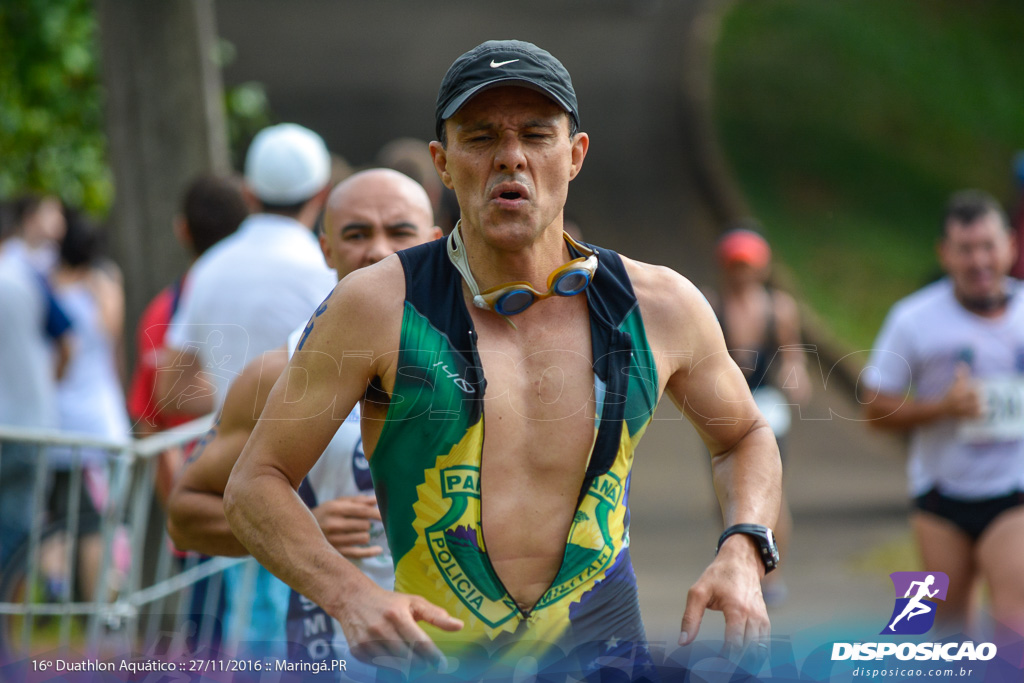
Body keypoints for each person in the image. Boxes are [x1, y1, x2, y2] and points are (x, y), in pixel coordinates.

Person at [224, 40, 781, 674]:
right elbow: (253, 485)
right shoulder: (376, 306)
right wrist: (350, 595)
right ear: (442, 162)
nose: (510, 158)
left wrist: (745, 545)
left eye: (536, 135)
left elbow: (744, 434)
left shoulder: (659, 306)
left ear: (575, 156)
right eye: (481, 137)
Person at [167, 168, 441, 665]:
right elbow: (185, 515)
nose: (377, 249)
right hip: (321, 655)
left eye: (399, 231)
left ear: (434, 242)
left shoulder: (484, 364)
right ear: (326, 249)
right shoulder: (278, 373)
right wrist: (302, 529)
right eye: (356, 234)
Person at [864, 189, 1024, 640]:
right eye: (965, 249)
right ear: (944, 253)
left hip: (1014, 493)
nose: (979, 261)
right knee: (946, 638)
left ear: (1011, 245)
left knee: (1014, 625)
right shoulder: (913, 319)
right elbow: (873, 410)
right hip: (939, 498)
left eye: (989, 247)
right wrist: (942, 409)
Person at [161, 123, 336, 415]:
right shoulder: (328, 269)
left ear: (248, 193)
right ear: (323, 193)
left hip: (229, 456)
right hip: (311, 455)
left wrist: (234, 401)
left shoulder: (207, 268)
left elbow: (172, 390)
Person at [126, 175, 248, 506]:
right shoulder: (264, 302)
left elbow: (150, 421)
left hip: (201, 504)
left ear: (182, 230)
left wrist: (180, 508)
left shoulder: (161, 313)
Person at [711, 227, 811, 606]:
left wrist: (795, 376)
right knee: (725, 491)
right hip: (726, 403)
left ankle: (773, 574)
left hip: (766, 401)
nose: (742, 273)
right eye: (735, 265)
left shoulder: (778, 307)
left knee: (772, 490)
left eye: (748, 266)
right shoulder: (711, 304)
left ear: (762, 268)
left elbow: (792, 354)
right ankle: (735, 562)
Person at [48, 209, 130, 598]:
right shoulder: (105, 283)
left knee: (61, 517)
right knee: (98, 519)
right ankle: (100, 602)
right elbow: (112, 340)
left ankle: (61, 589)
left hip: (56, 422)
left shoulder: (45, 286)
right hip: (102, 417)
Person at [0, 204, 69, 565]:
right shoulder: (25, 275)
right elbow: (68, 339)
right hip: (26, 426)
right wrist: (46, 384)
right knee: (17, 535)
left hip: (19, 425)